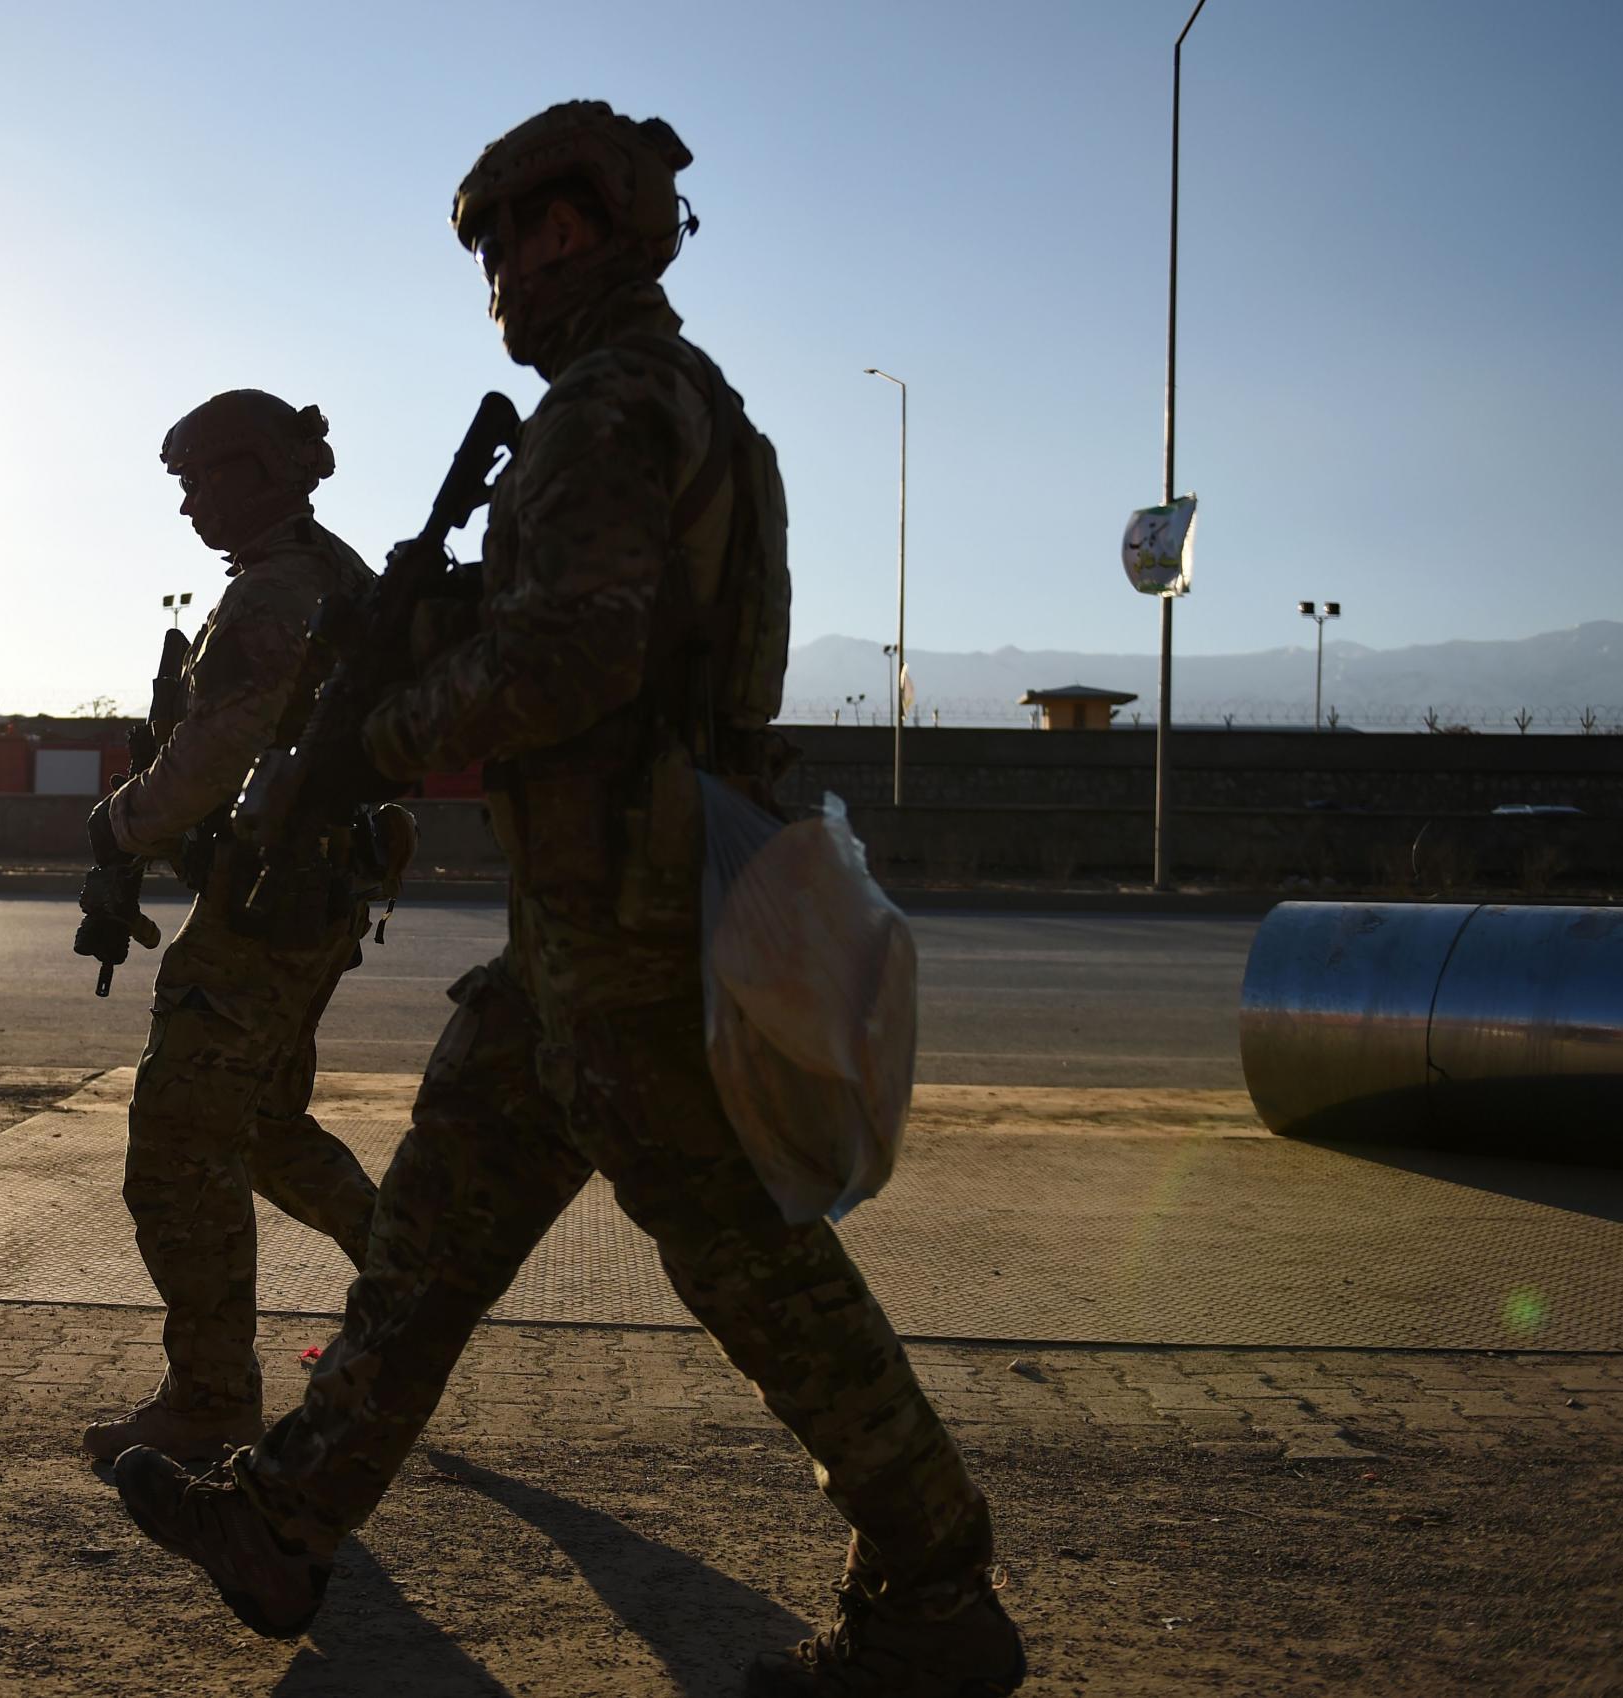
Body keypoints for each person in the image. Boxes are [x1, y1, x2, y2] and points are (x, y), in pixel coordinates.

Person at [110, 106, 1025, 1696]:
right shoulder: (685, 408)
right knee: (433, 1235)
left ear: (575, 230)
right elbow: (610, 618)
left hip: (632, 930)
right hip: (579, 935)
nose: (501, 282)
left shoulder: (608, 409)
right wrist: (452, 611)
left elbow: (582, 657)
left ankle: (937, 1584)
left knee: (755, 1263)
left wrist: (391, 728)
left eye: (510, 244)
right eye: (490, 252)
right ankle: (286, 1513)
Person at [75, 389, 383, 1469]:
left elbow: (211, 758)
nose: (189, 503)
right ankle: (408, 1300)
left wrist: (117, 824)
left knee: (174, 1154)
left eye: (200, 478)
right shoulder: (329, 572)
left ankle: (210, 1399)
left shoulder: (275, 593)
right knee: (262, 1130)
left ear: (259, 470)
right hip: (310, 899)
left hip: (263, 910)